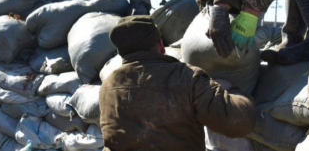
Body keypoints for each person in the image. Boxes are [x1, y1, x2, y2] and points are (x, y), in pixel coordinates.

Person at [99, 15, 255, 151]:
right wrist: (234, 92)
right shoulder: (185, 77)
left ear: (122, 53)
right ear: (160, 45)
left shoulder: (108, 86)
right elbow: (239, 123)